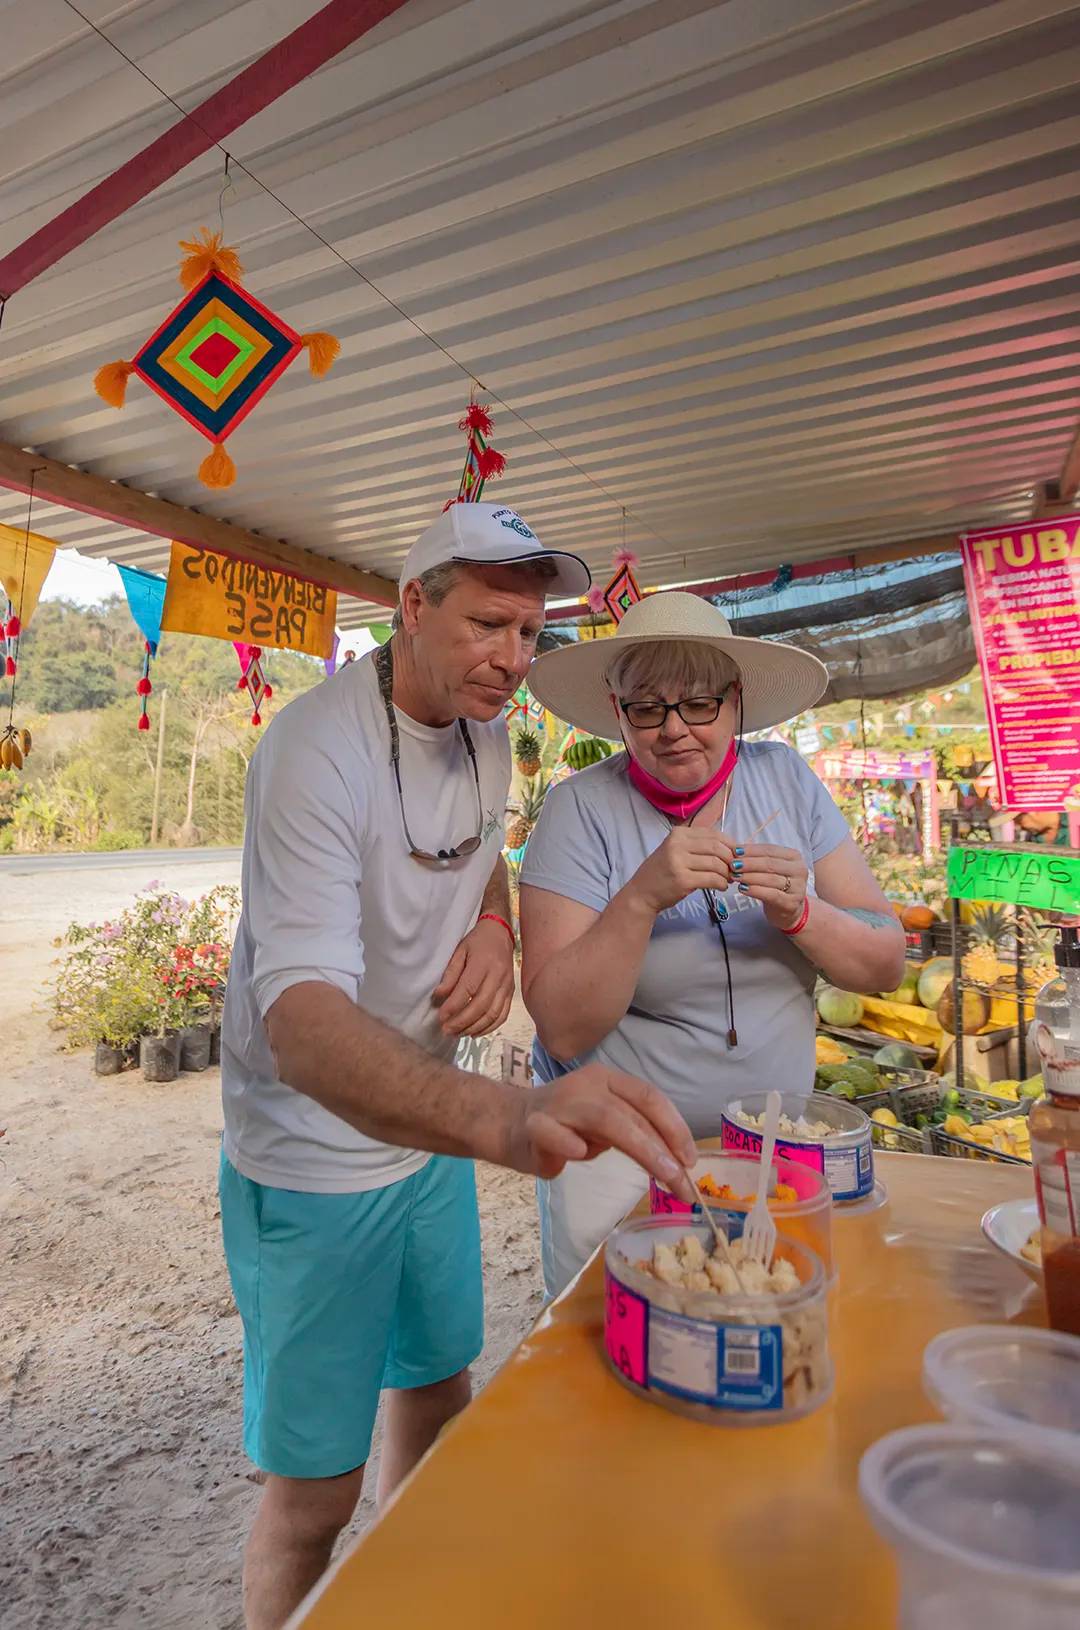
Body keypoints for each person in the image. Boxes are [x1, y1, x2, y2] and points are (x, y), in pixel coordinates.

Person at [218, 504, 697, 1630]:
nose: (514, 660)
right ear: (413, 604)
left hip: (422, 1127)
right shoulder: (314, 751)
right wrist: (508, 1117)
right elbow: (298, 1021)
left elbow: (476, 858)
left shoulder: (489, 732)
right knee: (314, 1493)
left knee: (439, 1394)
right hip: (316, 1153)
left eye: (531, 633)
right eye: (490, 625)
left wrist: (491, 927)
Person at [521, 591, 906, 1296]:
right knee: (617, 1356)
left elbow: (884, 961)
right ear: (617, 712)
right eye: (648, 707)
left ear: (735, 702)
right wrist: (638, 900)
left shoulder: (786, 781)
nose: (674, 730)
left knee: (770, 1330)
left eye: (698, 704)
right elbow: (560, 1021)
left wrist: (801, 915)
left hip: (777, 1150)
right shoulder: (580, 810)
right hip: (622, 1159)